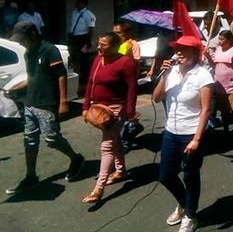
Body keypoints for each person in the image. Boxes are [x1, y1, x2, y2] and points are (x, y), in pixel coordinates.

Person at [5, 22, 85, 195]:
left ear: (33, 34)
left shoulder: (49, 50)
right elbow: (32, 78)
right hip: (30, 103)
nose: (21, 43)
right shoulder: (28, 54)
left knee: (52, 138)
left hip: (47, 103)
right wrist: (18, 89)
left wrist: (64, 101)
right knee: (29, 140)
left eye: (23, 39)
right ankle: (30, 175)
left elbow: (61, 75)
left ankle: (76, 158)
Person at [152, 35, 213, 232]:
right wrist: (164, 75)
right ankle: (184, 203)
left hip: (191, 134)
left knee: (189, 175)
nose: (178, 53)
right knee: (165, 175)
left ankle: (190, 216)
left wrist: (196, 139)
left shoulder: (203, 75)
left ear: (195, 54)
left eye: (183, 50)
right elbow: (156, 97)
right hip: (171, 132)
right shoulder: (172, 73)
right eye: (177, 49)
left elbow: (206, 110)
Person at [81, 32, 137, 204]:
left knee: (107, 146)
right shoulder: (98, 59)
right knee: (114, 140)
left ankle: (99, 188)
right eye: (98, 43)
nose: (99, 47)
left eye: (103, 45)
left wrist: (130, 111)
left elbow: (132, 87)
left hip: (115, 110)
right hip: (98, 108)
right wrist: (85, 106)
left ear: (114, 46)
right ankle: (121, 171)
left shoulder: (125, 62)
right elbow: (91, 82)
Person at [204, 30, 233, 131]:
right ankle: (226, 129)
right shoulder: (218, 49)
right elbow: (214, 65)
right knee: (224, 109)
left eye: (222, 39)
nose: (220, 41)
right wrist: (208, 56)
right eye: (219, 39)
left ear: (229, 40)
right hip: (220, 85)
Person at [113, 20, 144, 152]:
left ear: (127, 33)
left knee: (127, 111)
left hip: (127, 83)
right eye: (114, 33)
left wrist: (129, 56)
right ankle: (134, 126)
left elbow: (136, 64)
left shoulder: (133, 45)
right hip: (115, 83)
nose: (116, 35)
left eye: (119, 33)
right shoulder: (114, 44)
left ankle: (125, 141)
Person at [68, 0, 96, 92]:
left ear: (83, 4)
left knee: (84, 60)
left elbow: (91, 28)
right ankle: (74, 76)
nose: (76, 4)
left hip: (83, 38)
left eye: (78, 2)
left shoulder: (89, 14)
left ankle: (85, 80)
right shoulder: (74, 12)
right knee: (72, 57)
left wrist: (89, 41)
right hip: (74, 37)